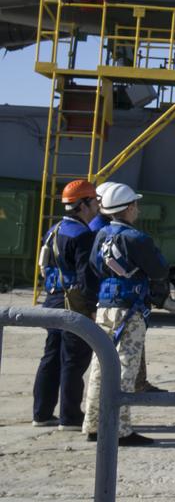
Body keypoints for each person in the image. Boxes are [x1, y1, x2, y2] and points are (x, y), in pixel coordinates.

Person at [83, 183, 169, 446]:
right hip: (130, 309)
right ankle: (119, 430)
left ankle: (93, 424)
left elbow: (94, 267)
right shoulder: (137, 239)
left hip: (105, 305)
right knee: (125, 368)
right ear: (129, 207)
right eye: (135, 205)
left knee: (100, 365)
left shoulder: (101, 234)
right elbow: (159, 270)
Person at [32, 179, 101, 430]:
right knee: (74, 359)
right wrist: (92, 307)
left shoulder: (54, 229)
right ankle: (70, 417)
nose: (97, 205)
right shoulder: (83, 236)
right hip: (73, 303)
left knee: (51, 357)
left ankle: (41, 413)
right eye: (94, 201)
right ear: (83, 205)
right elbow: (87, 277)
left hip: (52, 299)